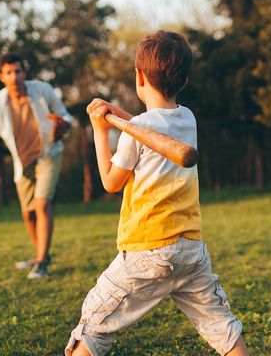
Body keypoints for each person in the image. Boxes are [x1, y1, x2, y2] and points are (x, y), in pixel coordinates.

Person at [65, 31, 249, 355]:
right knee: (220, 323)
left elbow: (110, 181)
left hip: (147, 250)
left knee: (94, 321)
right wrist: (117, 115)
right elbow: (146, 127)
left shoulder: (138, 131)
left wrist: (99, 130)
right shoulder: (187, 118)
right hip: (190, 249)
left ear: (139, 76)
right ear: (185, 80)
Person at [0, 53, 72, 279]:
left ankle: (41, 262)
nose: (15, 77)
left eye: (18, 71)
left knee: (42, 204)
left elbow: (65, 117)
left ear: (25, 72)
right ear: (1, 76)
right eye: (9, 73)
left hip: (49, 154)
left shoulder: (43, 90)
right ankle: (42, 254)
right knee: (28, 214)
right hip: (23, 163)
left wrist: (62, 126)